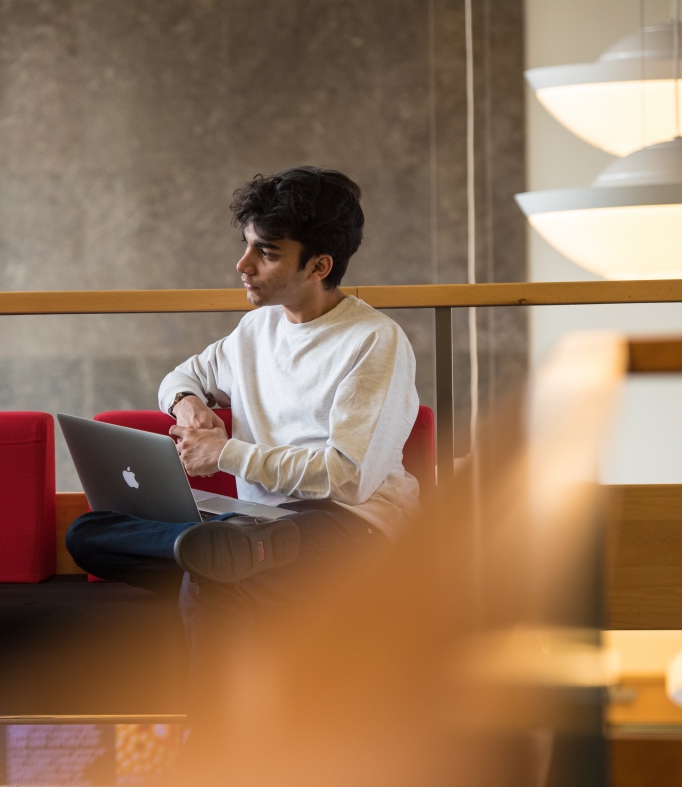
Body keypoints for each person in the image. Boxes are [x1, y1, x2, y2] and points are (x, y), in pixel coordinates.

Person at [66, 166, 420, 763]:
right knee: (88, 534)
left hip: (347, 528)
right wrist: (189, 404)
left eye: (266, 252)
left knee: (212, 579)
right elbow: (182, 377)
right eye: (247, 245)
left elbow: (349, 477)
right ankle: (223, 547)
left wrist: (224, 452)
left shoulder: (372, 342)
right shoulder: (255, 331)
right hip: (258, 520)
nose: (243, 265)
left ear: (319, 266)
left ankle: (208, 758)